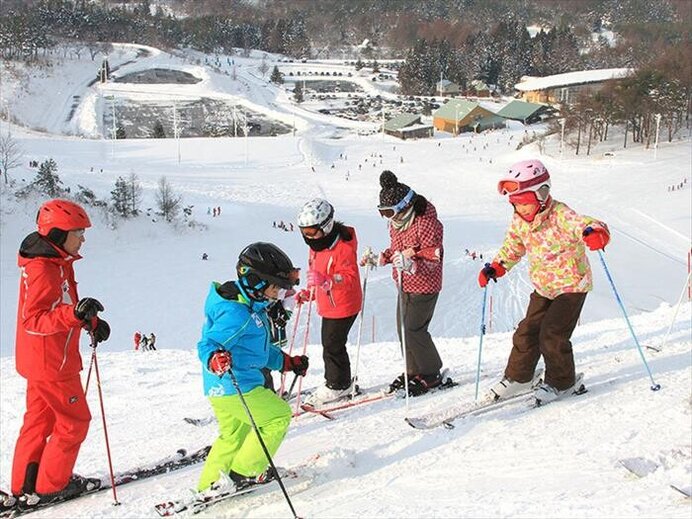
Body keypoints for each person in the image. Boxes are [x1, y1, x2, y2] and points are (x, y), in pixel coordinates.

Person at [479, 159, 609, 404]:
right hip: (544, 286)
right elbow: (513, 246)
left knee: (552, 334)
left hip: (572, 285)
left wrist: (596, 233)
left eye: (525, 203)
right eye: (515, 204)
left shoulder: (560, 214)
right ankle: (520, 377)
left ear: (542, 193)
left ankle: (563, 382)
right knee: (526, 332)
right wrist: (497, 266)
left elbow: (586, 223)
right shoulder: (519, 221)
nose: (521, 209)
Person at [8, 199, 110, 509]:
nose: (83, 238)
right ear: (57, 234)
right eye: (78, 231)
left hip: (42, 360)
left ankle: (25, 485)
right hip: (52, 363)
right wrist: (75, 317)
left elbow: (62, 306)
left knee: (39, 421)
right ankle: (52, 485)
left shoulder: (55, 261)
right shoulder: (43, 268)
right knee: (74, 422)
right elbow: (34, 319)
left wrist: (89, 320)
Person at [196, 242, 308, 495]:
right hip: (234, 384)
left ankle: (210, 485)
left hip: (221, 388)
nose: (278, 294)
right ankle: (244, 472)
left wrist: (286, 362)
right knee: (277, 415)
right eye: (275, 287)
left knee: (233, 435)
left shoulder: (250, 308)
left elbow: (259, 351)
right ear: (256, 283)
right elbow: (208, 344)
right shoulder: (238, 314)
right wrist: (214, 358)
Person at [371, 170, 446, 397]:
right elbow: (398, 251)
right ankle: (413, 371)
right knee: (403, 329)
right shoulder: (397, 224)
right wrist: (383, 258)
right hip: (404, 283)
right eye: (382, 212)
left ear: (405, 205)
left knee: (414, 329)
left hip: (425, 284)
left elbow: (435, 257)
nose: (387, 217)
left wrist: (412, 265)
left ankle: (431, 372)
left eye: (389, 212)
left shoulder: (426, 223)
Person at [294, 199, 363, 408]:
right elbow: (319, 274)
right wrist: (311, 292)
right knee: (331, 343)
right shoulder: (317, 245)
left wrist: (328, 281)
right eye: (304, 231)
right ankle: (339, 381)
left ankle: (338, 384)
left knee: (332, 344)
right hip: (329, 302)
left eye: (312, 231)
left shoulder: (342, 248)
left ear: (326, 226)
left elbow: (349, 277)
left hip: (344, 303)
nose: (308, 236)